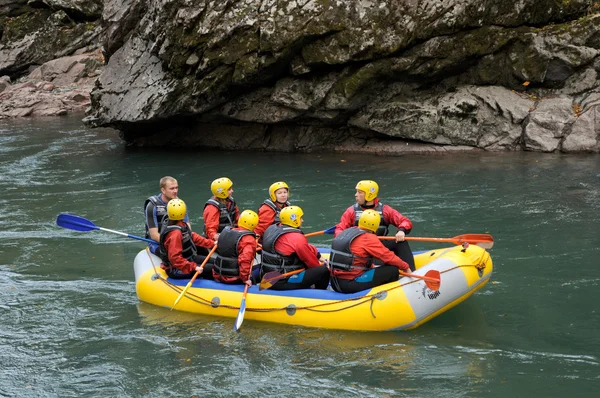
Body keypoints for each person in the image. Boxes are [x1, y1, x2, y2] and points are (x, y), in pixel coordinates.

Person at [334, 180, 415, 270]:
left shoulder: (385, 210)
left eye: (359, 192)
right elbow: (340, 228)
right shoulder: (351, 211)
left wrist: (402, 230)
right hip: (361, 248)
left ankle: (412, 271)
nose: (355, 195)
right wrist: (342, 241)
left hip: (379, 246)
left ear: (369, 195)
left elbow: (405, 221)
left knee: (401, 242)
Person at [329, 209, 411, 293]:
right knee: (392, 270)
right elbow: (387, 256)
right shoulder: (368, 238)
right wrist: (406, 267)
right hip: (350, 285)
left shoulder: (345, 232)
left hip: (334, 283)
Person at [260, 206, 330, 290]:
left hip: (268, 276)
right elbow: (312, 264)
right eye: (300, 218)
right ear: (294, 220)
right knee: (324, 270)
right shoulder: (296, 237)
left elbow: (304, 247)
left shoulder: (271, 228)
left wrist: (318, 255)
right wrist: (320, 268)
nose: (302, 220)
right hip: (282, 280)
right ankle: (319, 294)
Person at [159, 199, 215, 279]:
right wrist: (194, 267)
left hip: (188, 259)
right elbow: (175, 258)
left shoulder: (180, 224)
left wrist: (212, 243)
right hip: (177, 269)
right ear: (184, 213)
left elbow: (193, 236)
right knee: (211, 269)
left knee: (215, 262)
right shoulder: (175, 234)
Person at [144, 176, 189, 255]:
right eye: (172, 189)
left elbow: (188, 228)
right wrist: (173, 244)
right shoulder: (152, 206)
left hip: (176, 239)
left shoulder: (180, 203)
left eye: (176, 188)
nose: (175, 191)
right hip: (157, 243)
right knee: (171, 256)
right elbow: (154, 235)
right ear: (163, 190)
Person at [212, 210, 259, 286]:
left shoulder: (226, 231)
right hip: (233, 278)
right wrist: (245, 279)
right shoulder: (249, 240)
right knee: (260, 269)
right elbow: (245, 259)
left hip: (217, 273)